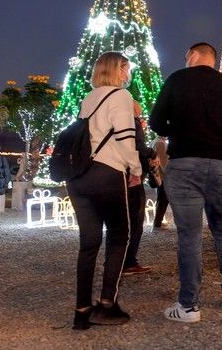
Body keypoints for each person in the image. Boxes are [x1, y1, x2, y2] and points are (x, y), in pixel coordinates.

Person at [149, 42, 222, 323]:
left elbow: (156, 122)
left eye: (186, 55)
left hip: (184, 164)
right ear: (213, 59)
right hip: (220, 165)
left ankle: (189, 305)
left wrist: (179, 129)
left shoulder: (177, 80)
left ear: (192, 55)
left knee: (190, 235)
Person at [66, 51, 142, 330]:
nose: (128, 73)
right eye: (126, 68)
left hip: (79, 177)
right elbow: (124, 137)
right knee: (120, 235)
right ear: (118, 69)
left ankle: (81, 310)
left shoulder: (89, 97)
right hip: (107, 173)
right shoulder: (120, 96)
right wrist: (136, 169)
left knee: (89, 242)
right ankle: (107, 304)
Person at [122, 101, 157, 276]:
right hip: (133, 177)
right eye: (137, 106)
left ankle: (118, 260)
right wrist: (152, 153)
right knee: (135, 221)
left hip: (124, 175)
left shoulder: (120, 122)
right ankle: (129, 261)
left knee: (124, 222)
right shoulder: (132, 123)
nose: (140, 108)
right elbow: (139, 147)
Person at [150, 135, 169, 229]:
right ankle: (157, 222)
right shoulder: (160, 143)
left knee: (162, 199)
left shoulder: (155, 141)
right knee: (163, 199)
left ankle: (158, 221)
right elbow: (164, 162)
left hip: (159, 175)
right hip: (163, 176)